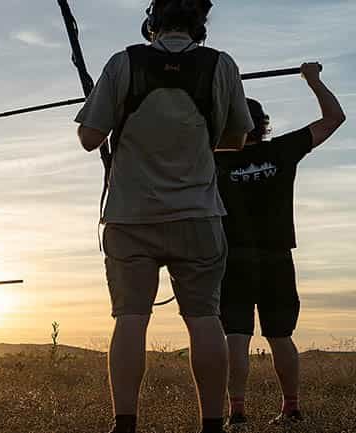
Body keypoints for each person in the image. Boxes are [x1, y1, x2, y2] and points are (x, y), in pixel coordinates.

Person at [74, 1, 254, 432]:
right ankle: (212, 424)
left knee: (131, 318)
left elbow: (89, 137)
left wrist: (108, 106)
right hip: (199, 215)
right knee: (205, 318)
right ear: (199, 23)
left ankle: (125, 424)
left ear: (152, 22)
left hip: (130, 217)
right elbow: (238, 138)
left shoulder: (124, 63)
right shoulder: (221, 66)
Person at [215, 63, 345, 431]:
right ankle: (291, 410)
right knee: (280, 335)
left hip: (233, 261)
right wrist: (314, 80)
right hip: (277, 258)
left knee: (236, 336)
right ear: (262, 125)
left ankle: (236, 414)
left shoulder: (212, 160)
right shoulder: (282, 151)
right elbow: (334, 118)